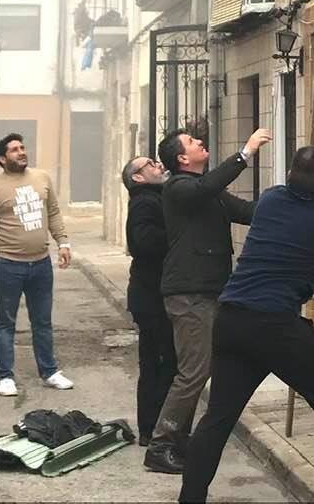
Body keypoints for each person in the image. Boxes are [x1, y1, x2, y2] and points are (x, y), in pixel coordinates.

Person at [179, 146, 314, 504]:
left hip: (231, 319)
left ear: (290, 173)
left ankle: (190, 498)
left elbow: (302, 202)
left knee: (218, 417)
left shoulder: (270, 199)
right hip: (275, 325)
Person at [143, 128, 272, 474]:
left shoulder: (207, 192)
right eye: (192, 142)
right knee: (193, 373)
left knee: (204, 369)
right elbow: (204, 189)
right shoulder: (179, 188)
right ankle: (161, 445)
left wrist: (298, 197)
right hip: (189, 295)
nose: (200, 142)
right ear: (182, 158)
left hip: (211, 292)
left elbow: (249, 211)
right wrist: (245, 153)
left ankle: (179, 441)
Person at [0, 132, 74, 397]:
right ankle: (5, 376)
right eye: (14, 150)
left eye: (22, 147)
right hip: (7, 264)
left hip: (41, 263)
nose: (22, 152)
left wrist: (63, 243)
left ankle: (49, 371)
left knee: (42, 321)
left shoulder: (41, 178)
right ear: (2, 158)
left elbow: (53, 212)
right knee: (5, 322)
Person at [122, 155, 177, 447]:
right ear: (138, 177)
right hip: (152, 297)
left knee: (158, 361)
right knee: (160, 362)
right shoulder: (144, 201)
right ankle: (153, 429)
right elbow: (143, 242)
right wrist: (178, 234)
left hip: (152, 295)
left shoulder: (155, 197)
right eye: (150, 165)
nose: (158, 166)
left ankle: (153, 427)